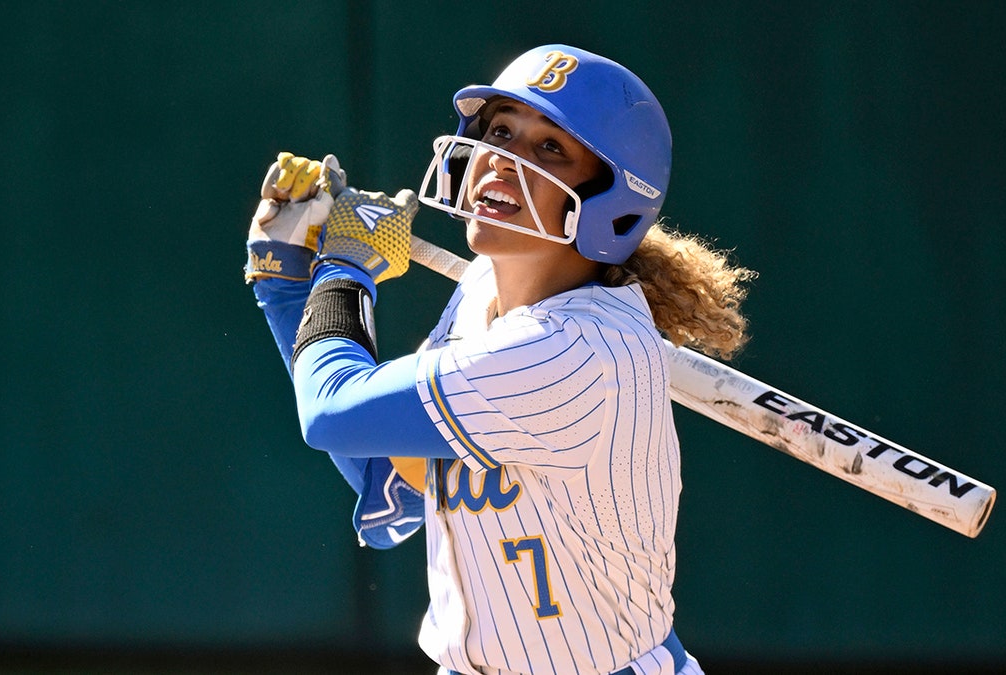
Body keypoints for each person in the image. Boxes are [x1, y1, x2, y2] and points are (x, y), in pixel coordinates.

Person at [244, 44, 754, 675]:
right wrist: (287, 284)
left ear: (609, 199)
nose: (503, 162)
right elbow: (394, 471)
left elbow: (333, 414)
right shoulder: (484, 289)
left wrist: (344, 270)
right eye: (501, 132)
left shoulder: (573, 352)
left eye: (549, 149)